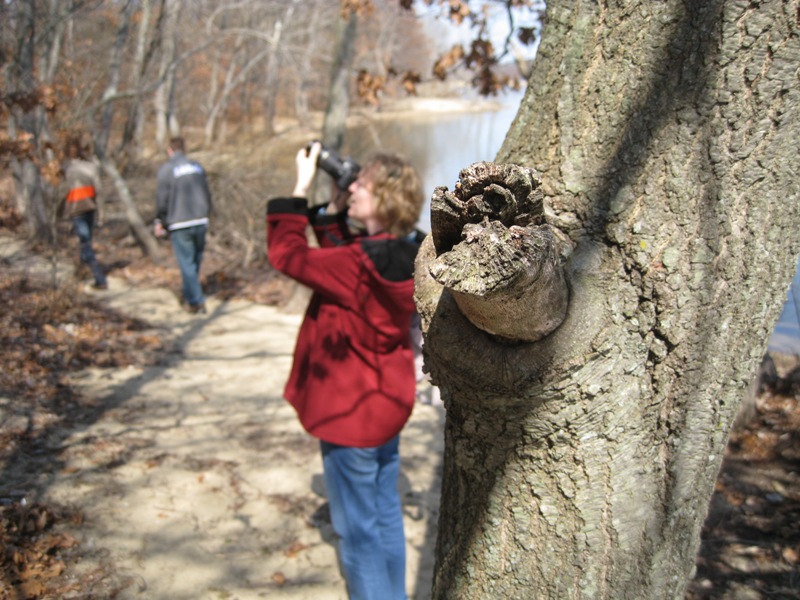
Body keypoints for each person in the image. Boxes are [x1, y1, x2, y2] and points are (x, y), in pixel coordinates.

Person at [266, 142, 425, 600]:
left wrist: (299, 189)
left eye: (362, 185)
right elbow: (349, 249)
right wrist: (335, 208)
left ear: (385, 200)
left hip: (348, 414)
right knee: (383, 510)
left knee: (357, 534)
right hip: (388, 401)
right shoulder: (412, 251)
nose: (352, 186)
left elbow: (286, 254)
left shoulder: (353, 267)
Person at [154, 137, 212, 313]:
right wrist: (207, 212)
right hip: (201, 219)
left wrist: (160, 221)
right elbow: (207, 192)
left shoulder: (167, 169)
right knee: (195, 260)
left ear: (170, 150)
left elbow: (162, 200)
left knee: (187, 263)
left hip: (180, 222)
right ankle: (191, 295)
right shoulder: (197, 166)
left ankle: (196, 301)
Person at [61, 138, 107, 289]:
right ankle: (81, 272)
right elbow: (99, 192)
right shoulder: (91, 167)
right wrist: (102, 214)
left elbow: (64, 193)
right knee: (85, 241)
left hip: (77, 210)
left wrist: (63, 214)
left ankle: (99, 279)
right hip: (90, 208)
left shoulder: (68, 169)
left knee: (86, 243)